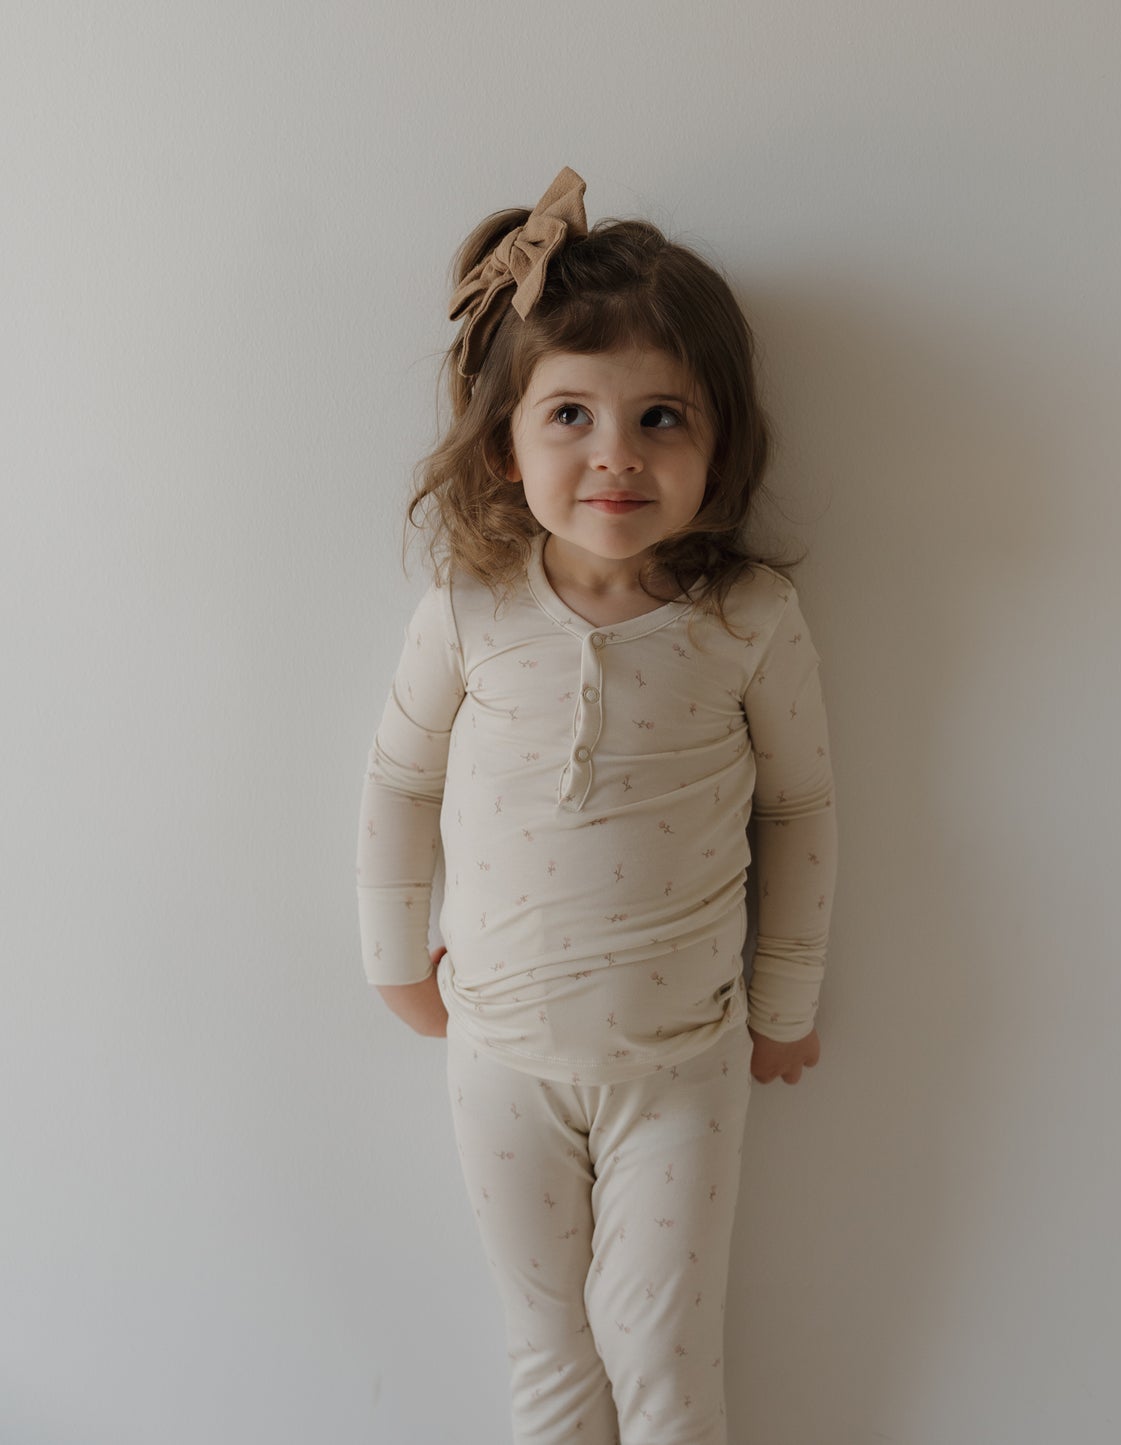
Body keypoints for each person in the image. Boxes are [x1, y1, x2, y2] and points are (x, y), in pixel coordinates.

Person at [355, 166, 837, 1445]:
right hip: (498, 1051)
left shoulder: (746, 619)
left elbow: (798, 808)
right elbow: (399, 786)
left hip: (682, 1059)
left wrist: (782, 1004)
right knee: (550, 1346)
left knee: (663, 1346)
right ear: (506, 444)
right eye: (568, 412)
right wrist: (395, 962)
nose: (615, 452)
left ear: (719, 442)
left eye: (661, 416)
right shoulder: (466, 611)